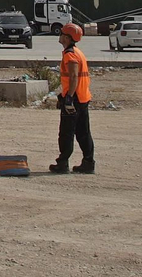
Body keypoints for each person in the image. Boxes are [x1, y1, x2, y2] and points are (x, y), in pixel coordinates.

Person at [50, 22, 95, 174]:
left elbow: (74, 76)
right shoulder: (78, 52)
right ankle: (88, 162)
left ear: (67, 38)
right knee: (83, 133)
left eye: (62, 34)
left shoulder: (70, 54)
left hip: (74, 99)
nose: (60, 36)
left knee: (66, 133)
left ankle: (63, 163)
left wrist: (68, 97)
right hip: (82, 98)